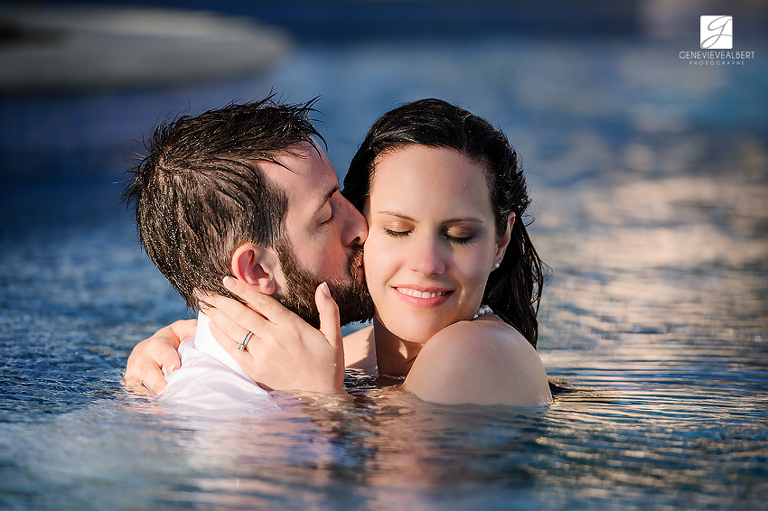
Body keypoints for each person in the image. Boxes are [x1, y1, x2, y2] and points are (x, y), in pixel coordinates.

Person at [126, 99, 552, 406]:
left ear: (502, 240)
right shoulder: (352, 352)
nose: (427, 262)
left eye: (459, 235)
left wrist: (319, 398)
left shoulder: (477, 352)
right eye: (396, 229)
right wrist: (186, 342)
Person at [120, 95, 373, 407]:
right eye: (326, 217)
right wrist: (322, 400)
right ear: (256, 269)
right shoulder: (219, 407)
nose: (361, 225)